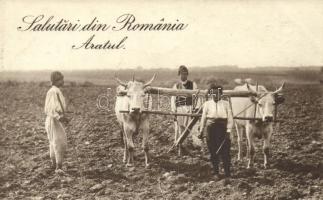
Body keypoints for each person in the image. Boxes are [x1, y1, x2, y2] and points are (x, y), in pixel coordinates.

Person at [198, 83, 233, 184]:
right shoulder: (207, 104)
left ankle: (227, 174)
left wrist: (228, 131)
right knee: (213, 152)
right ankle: (216, 173)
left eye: (217, 93)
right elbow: (204, 118)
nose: (215, 95)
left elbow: (230, 118)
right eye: (213, 93)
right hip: (210, 129)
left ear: (220, 94)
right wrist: (201, 131)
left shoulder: (226, 104)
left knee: (225, 152)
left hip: (222, 129)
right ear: (210, 94)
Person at [171, 65, 200, 155]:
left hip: (190, 108)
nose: (183, 76)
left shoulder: (193, 84)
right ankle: (180, 148)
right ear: (179, 75)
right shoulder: (176, 86)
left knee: (193, 128)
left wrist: (196, 108)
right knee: (180, 129)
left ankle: (196, 146)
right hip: (180, 109)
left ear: (187, 75)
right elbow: (173, 99)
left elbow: (196, 97)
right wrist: (174, 110)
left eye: (185, 74)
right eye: (182, 74)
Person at [44, 71, 69, 174]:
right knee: (59, 142)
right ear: (56, 81)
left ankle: (55, 165)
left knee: (54, 142)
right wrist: (59, 117)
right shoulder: (54, 91)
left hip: (53, 119)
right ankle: (58, 167)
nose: (63, 81)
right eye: (61, 79)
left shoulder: (55, 90)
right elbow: (50, 109)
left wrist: (62, 116)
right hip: (53, 120)